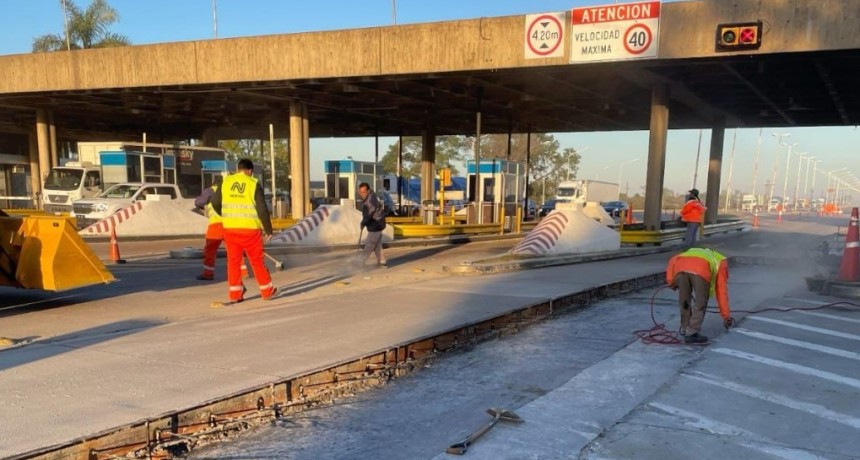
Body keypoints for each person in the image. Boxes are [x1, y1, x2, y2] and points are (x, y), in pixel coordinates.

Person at [211, 159, 277, 303]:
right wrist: (268, 230)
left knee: (233, 262)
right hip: (250, 230)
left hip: (230, 229)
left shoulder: (226, 182)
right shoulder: (253, 184)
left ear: (237, 169)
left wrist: (225, 215)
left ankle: (235, 295)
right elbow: (262, 209)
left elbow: (215, 202)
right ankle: (267, 291)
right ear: (250, 171)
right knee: (257, 261)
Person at [665, 247, 734, 344]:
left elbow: (673, 260)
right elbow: (721, 290)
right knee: (700, 303)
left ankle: (685, 328)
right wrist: (726, 316)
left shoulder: (691, 252)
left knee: (684, 301)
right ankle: (692, 332)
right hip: (701, 271)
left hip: (681, 269)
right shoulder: (721, 261)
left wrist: (671, 281)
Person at [194, 177, 248, 281]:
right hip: (230, 224)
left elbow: (199, 202)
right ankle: (243, 272)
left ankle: (208, 273)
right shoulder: (231, 191)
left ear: (213, 183)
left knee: (210, 250)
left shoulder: (210, 191)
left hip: (216, 224)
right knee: (234, 249)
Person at [356, 182, 387, 267]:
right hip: (378, 223)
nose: (362, 194)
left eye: (363, 192)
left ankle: (360, 262)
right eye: (360, 192)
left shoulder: (370, 200)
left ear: (368, 190)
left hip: (375, 224)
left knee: (369, 244)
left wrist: (363, 223)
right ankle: (382, 261)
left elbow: (369, 213)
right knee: (376, 244)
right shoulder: (372, 196)